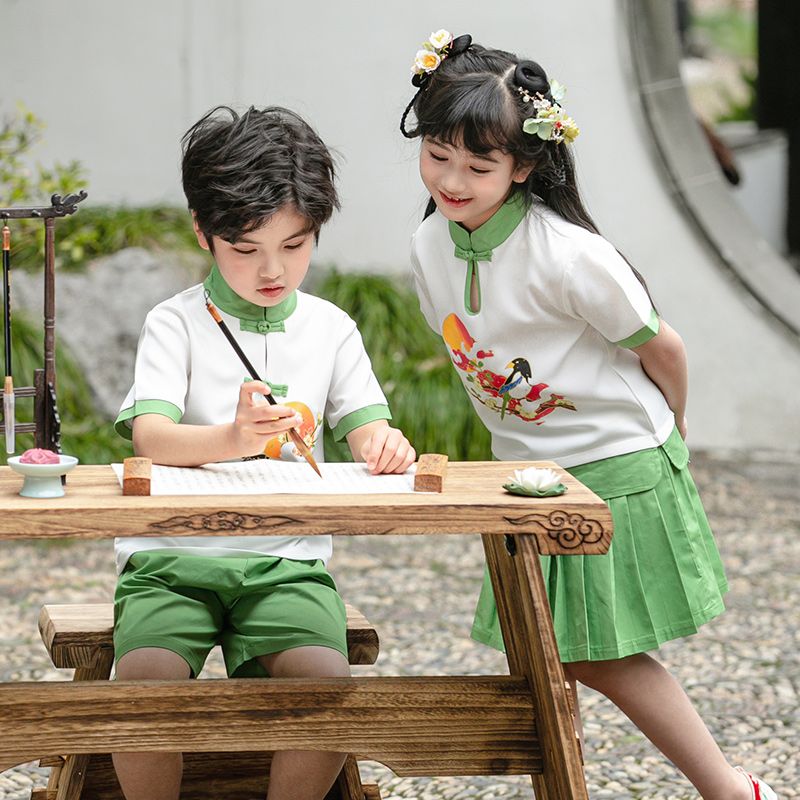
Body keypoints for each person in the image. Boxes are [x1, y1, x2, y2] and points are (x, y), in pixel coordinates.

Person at [400, 31, 777, 800]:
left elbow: (664, 350)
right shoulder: (428, 246)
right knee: (543, 653)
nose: (453, 180)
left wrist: (672, 434)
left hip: (615, 466)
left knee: (583, 654)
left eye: (479, 166)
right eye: (439, 155)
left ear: (526, 165)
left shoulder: (572, 256)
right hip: (527, 476)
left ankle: (731, 792)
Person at [112, 105, 416, 800]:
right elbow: (150, 437)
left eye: (296, 245)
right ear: (204, 233)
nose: (273, 270)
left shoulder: (330, 329)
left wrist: (384, 445)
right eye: (246, 250)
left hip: (287, 560)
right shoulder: (176, 322)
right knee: (144, 692)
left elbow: (368, 426)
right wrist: (233, 439)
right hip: (171, 559)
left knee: (328, 689)